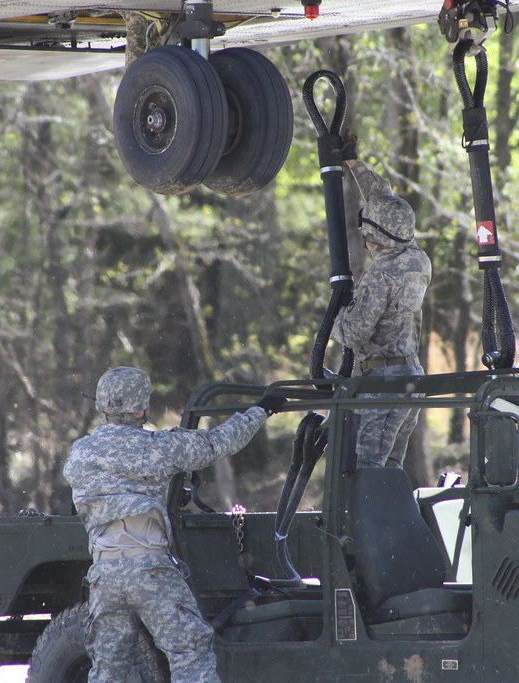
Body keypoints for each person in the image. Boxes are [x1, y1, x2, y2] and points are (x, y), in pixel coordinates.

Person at [63, 366, 284, 683]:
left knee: (108, 671)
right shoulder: (155, 448)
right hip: (149, 570)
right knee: (191, 655)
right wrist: (261, 410)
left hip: (104, 575)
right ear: (141, 407)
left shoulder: (79, 453)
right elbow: (218, 443)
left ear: (102, 405)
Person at [333, 133, 432, 470]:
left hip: (382, 384)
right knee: (391, 471)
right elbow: (386, 202)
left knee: (368, 474)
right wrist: (353, 163)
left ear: (373, 238)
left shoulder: (380, 277)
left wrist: (334, 316)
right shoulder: (416, 257)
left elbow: (353, 334)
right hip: (411, 377)